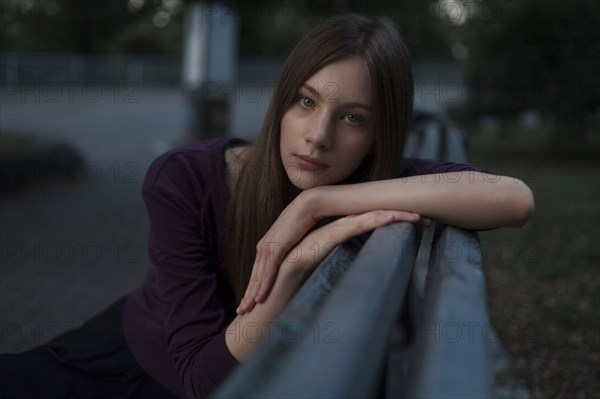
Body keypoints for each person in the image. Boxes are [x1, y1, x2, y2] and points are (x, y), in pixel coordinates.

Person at [0, 13, 534, 399]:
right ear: (281, 103)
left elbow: (512, 198)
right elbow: (197, 378)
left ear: (379, 134)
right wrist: (292, 271)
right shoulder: (184, 178)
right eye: (306, 102)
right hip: (123, 366)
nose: (318, 136)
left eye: (352, 118)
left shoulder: (373, 178)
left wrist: (318, 203)